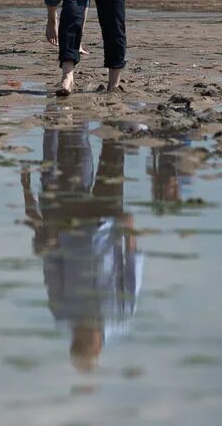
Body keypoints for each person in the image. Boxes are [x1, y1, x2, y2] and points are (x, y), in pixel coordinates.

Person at [22, 124, 143, 373]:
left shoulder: (62, 312)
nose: (79, 333)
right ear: (99, 345)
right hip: (108, 225)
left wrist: (52, 233)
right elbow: (131, 272)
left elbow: (52, 268)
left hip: (72, 223)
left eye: (77, 340)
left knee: (74, 161)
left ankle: (77, 118)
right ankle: (114, 116)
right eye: (81, 340)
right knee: (113, 155)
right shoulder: (121, 317)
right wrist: (130, 234)